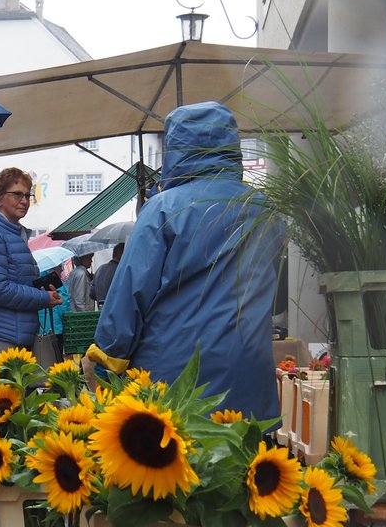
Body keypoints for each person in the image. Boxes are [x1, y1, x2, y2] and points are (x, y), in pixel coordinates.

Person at [88, 101, 285, 419]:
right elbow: (278, 298)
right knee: (243, 462)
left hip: (176, 375)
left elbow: (130, 293)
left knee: (181, 463)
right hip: (249, 373)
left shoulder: (164, 209)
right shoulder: (265, 210)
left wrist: (106, 358)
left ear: (175, 149)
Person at [0, 167, 63, 389]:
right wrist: (42, 298)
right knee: (3, 413)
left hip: (14, 335)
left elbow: (15, 281)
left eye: (27, 195)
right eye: (17, 194)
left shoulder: (13, 234)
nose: (24, 201)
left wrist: (41, 287)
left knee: (18, 414)